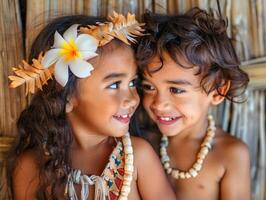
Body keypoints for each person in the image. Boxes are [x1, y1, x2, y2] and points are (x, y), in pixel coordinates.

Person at [3, 13, 175, 200]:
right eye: (114, 85)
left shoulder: (138, 156)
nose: (132, 99)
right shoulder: (30, 167)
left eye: (133, 83)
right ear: (67, 97)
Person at [136, 8, 251, 200]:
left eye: (176, 90)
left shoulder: (230, 155)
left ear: (218, 91)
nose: (159, 104)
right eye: (149, 87)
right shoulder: (143, 145)